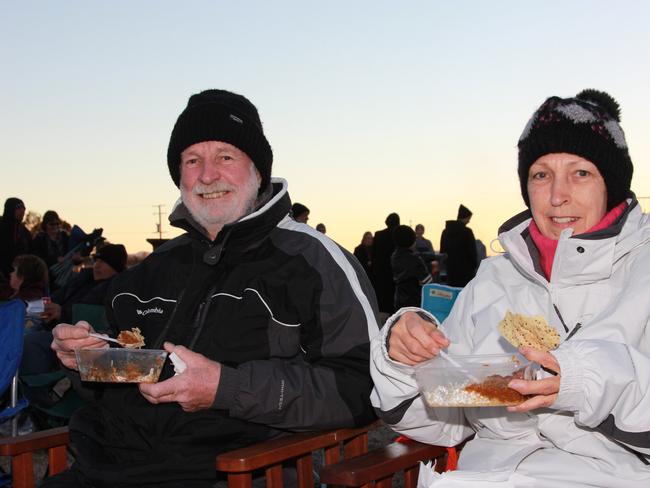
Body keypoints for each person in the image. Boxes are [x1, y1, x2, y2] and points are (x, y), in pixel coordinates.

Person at [47, 89, 379, 487]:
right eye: (192, 161)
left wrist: (228, 389)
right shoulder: (146, 273)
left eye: (225, 156)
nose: (207, 175)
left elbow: (363, 386)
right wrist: (89, 361)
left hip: (233, 473)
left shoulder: (313, 262)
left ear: (256, 168)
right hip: (103, 470)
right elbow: (109, 391)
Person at [370, 89, 650, 487]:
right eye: (541, 175)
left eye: (581, 173)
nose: (557, 195)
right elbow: (444, 421)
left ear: (613, 183)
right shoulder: (494, 280)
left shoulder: (643, 269)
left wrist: (584, 380)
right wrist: (404, 362)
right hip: (486, 477)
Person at [391, 225, 432, 309]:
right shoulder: (415, 259)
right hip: (414, 302)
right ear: (411, 241)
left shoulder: (394, 256)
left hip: (399, 300)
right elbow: (427, 282)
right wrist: (432, 268)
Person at [439, 204, 477, 287]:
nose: (468, 221)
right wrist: (474, 266)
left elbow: (442, 251)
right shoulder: (467, 232)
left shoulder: (445, 231)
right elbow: (472, 252)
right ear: (464, 217)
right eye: (468, 218)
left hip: (451, 271)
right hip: (466, 272)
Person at [371, 212, 400, 315]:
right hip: (395, 270)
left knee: (383, 298)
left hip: (381, 271)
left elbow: (374, 254)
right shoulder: (398, 234)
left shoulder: (378, 235)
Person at [0, 198, 32, 280]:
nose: (22, 211)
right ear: (10, 209)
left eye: (24, 208)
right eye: (19, 208)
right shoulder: (2, 227)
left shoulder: (25, 232)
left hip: (19, 275)